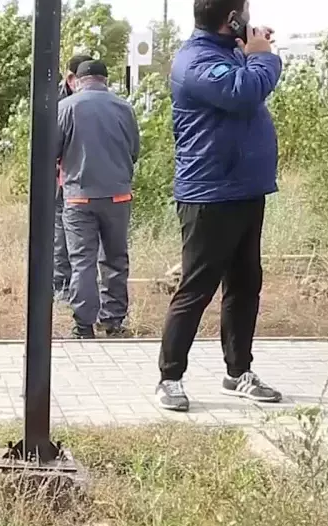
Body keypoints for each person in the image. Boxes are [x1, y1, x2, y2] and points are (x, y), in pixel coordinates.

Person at [157, 0, 282, 412]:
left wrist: (251, 50)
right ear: (231, 19)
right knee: (196, 288)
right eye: (243, 10)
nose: (248, 16)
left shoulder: (229, 54)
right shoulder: (195, 61)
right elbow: (242, 92)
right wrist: (263, 57)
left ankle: (238, 371)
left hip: (247, 190)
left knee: (245, 286)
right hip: (208, 194)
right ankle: (170, 378)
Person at [57, 59, 141, 339]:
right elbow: (134, 151)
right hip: (118, 195)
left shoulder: (66, 108)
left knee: (82, 261)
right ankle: (113, 321)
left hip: (79, 197)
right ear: (105, 79)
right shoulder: (124, 108)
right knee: (115, 259)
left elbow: (52, 151)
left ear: (78, 81)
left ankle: (83, 325)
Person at [54, 53, 95, 301]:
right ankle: (61, 286)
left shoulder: (86, 100)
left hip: (84, 179)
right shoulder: (58, 103)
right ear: (71, 78)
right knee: (60, 233)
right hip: (63, 179)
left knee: (83, 243)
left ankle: (77, 287)